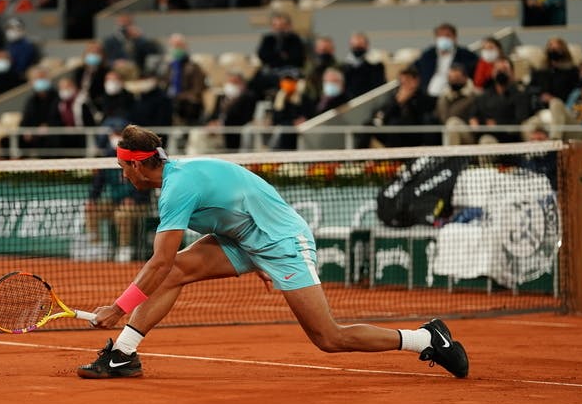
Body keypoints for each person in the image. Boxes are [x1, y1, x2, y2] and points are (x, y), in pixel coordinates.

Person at [76, 124, 470, 379]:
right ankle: (123, 355)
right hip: (246, 237)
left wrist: (119, 307)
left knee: (328, 338)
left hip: (279, 242)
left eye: (123, 166)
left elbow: (158, 260)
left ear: (140, 166)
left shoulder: (178, 188)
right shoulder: (177, 176)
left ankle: (425, 339)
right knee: (178, 270)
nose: (121, 173)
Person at [83, 120, 154, 263]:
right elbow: (98, 183)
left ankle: (124, 249)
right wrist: (92, 199)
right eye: (113, 133)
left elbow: (146, 183)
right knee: (91, 209)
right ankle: (95, 247)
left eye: (118, 134)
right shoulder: (107, 157)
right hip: (115, 202)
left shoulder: (137, 156)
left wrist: (134, 198)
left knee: (122, 214)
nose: (115, 137)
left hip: (139, 205)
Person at [467, 58, 531, 143]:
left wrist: (497, 123)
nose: (500, 72)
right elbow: (474, 116)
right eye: (497, 69)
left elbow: (520, 120)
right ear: (493, 73)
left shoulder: (520, 95)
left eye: (504, 69)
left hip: (510, 138)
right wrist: (474, 120)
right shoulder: (484, 95)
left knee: (486, 141)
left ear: (512, 73)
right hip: (485, 134)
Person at [415, 22, 478, 107]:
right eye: (440, 36)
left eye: (447, 36)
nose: (444, 39)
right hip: (429, 97)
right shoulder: (427, 55)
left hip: (456, 97)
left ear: (455, 38)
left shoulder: (466, 55)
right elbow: (415, 71)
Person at [369, 66, 434, 147]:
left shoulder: (424, 98)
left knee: (395, 125)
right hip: (395, 133)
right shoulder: (395, 98)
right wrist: (397, 102)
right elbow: (384, 115)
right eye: (401, 82)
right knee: (368, 125)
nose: (403, 86)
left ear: (415, 81)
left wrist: (409, 100)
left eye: (406, 81)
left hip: (415, 133)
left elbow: (423, 117)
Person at [255, 12, 307, 98]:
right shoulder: (268, 39)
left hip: (291, 72)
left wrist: (275, 57)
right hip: (272, 71)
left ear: (288, 26)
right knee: (255, 82)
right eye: (276, 25)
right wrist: (282, 57)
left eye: (282, 25)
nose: (279, 28)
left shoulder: (295, 39)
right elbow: (262, 56)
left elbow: (297, 58)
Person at [435, 63, 478, 145]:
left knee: (453, 123)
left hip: (470, 136)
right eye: (451, 78)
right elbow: (442, 118)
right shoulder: (444, 96)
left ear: (465, 78)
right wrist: (446, 98)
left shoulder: (474, 96)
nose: (453, 81)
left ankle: (452, 157)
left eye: (457, 78)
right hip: (446, 133)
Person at [341, 32, 386, 98]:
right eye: (355, 45)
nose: (357, 48)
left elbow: (379, 86)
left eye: (360, 45)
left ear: (367, 45)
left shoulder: (376, 65)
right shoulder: (345, 67)